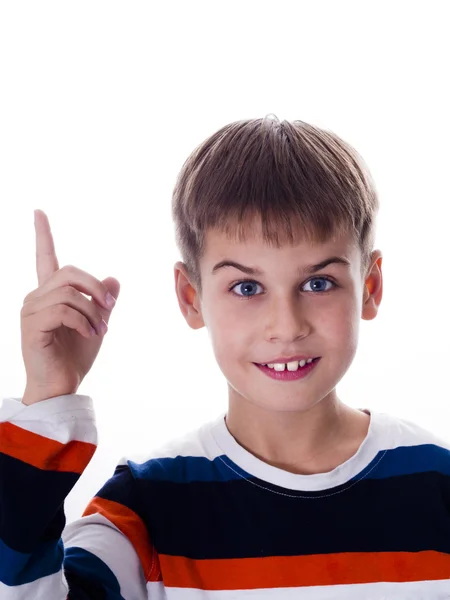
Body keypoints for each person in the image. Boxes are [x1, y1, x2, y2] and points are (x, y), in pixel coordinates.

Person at [1, 116, 450, 599]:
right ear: (191, 297)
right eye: (247, 287)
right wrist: (48, 394)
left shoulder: (436, 485)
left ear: (370, 286)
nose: (286, 326)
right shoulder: (144, 510)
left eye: (318, 283)